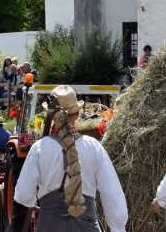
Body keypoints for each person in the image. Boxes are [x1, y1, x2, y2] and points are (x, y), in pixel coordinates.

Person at [13, 85, 128, 232]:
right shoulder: (93, 146)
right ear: (78, 114)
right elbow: (112, 195)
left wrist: (36, 202)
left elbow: (23, 195)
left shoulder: (39, 148)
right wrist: (118, 228)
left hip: (49, 225)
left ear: (51, 115)